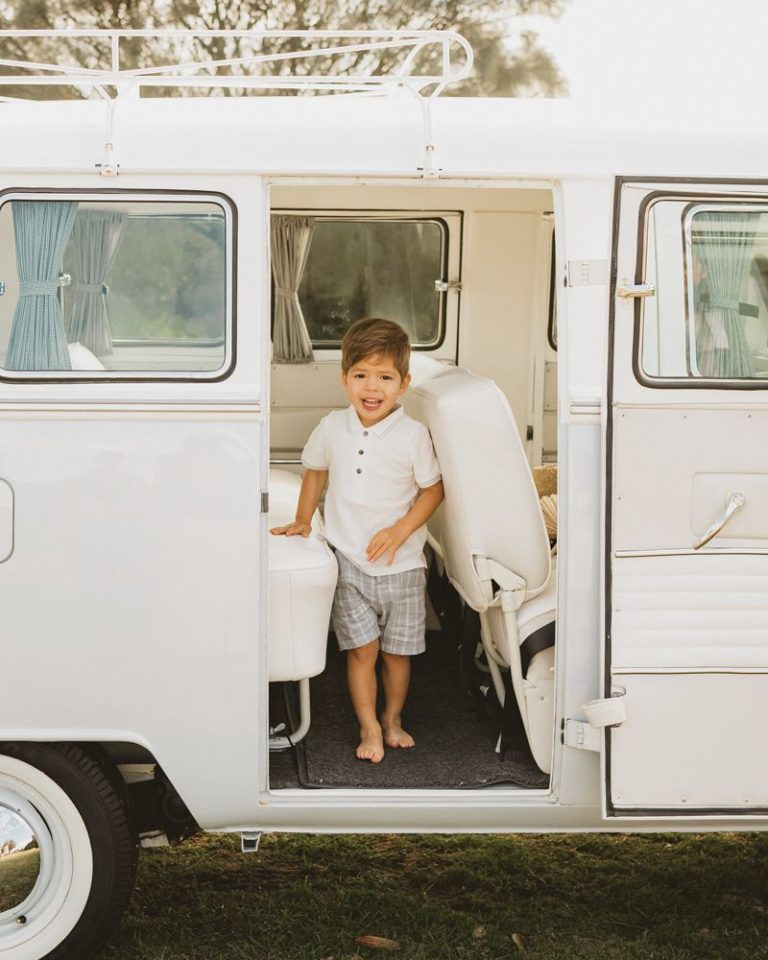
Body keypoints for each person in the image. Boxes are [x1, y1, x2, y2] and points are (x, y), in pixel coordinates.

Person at [270, 318, 444, 763]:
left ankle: (392, 719)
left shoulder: (413, 435)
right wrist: (303, 519)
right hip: (349, 562)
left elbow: (433, 489)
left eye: (385, 378)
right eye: (361, 375)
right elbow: (316, 471)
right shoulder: (332, 426)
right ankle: (367, 727)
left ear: (404, 384)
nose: (372, 387)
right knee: (362, 650)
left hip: (403, 566)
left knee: (397, 654)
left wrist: (400, 530)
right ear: (345, 378)